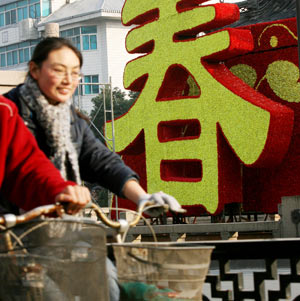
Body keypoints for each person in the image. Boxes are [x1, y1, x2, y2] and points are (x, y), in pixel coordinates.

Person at [4, 37, 182, 301]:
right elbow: (25, 167)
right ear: (34, 70)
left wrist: (142, 197)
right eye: (58, 70)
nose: (68, 80)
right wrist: (62, 189)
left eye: (75, 73)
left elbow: (101, 160)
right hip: (12, 233)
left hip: (57, 229)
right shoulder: (9, 111)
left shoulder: (72, 120)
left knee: (104, 280)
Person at [0, 95, 90, 214]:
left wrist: (59, 190)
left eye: (74, 75)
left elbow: (26, 166)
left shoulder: (4, 110)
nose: (68, 80)